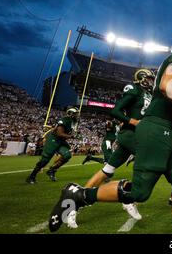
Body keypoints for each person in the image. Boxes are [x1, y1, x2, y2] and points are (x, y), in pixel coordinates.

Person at [48, 39, 172, 234]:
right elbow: (166, 85)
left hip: (170, 133)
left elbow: (168, 100)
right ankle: (79, 194)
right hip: (157, 131)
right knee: (139, 192)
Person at [68, 69, 155, 228]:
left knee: (107, 170)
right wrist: (132, 121)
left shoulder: (148, 94)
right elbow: (115, 110)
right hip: (131, 135)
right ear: (141, 78)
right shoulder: (133, 89)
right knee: (149, 162)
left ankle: (76, 203)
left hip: (138, 135)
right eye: (149, 78)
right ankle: (129, 199)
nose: (151, 81)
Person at [26, 107, 79, 184]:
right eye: (76, 114)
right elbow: (59, 133)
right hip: (53, 139)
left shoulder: (72, 122)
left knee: (67, 155)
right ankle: (32, 176)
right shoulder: (64, 120)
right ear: (71, 114)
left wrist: (74, 134)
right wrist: (72, 136)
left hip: (61, 141)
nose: (77, 116)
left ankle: (52, 170)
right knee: (45, 160)